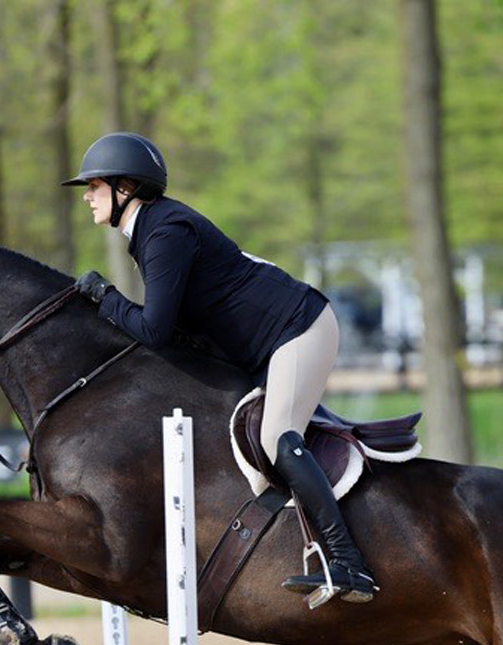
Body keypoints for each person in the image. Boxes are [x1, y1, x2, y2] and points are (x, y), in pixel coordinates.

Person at [62, 132, 376, 607]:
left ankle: (347, 562)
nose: (86, 195)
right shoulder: (152, 230)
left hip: (298, 329)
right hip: (265, 346)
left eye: (94, 185)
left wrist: (106, 299)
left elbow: (154, 331)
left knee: (277, 439)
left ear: (124, 187)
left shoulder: (164, 231)